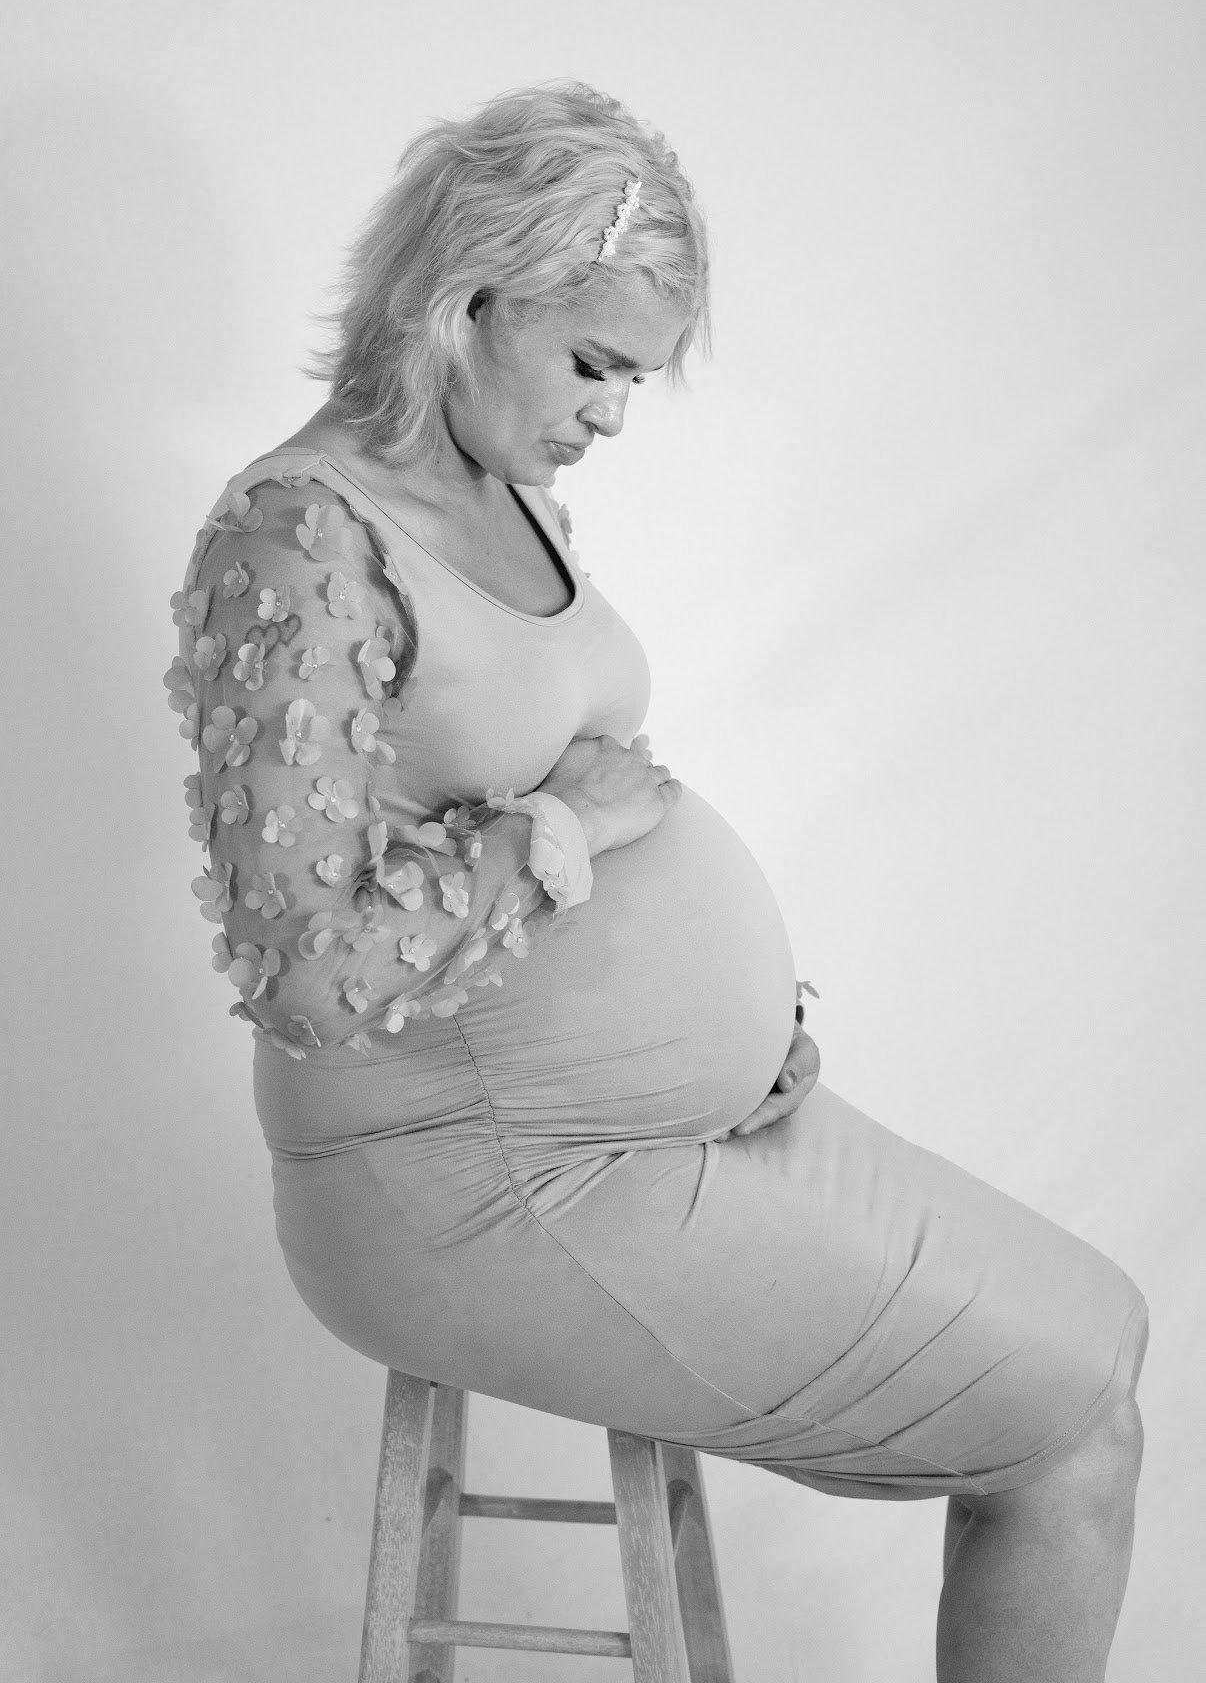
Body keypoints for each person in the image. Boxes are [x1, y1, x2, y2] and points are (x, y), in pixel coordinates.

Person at [167, 82, 1147, 1681]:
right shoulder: (294, 538)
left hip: (651, 1124)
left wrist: (731, 1008)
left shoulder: (505, 493)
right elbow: (305, 971)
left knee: (1098, 1342)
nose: (612, 416)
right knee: (1061, 1432)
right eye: (595, 365)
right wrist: (558, 840)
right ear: (466, 300)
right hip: (470, 1183)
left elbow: (571, 784)